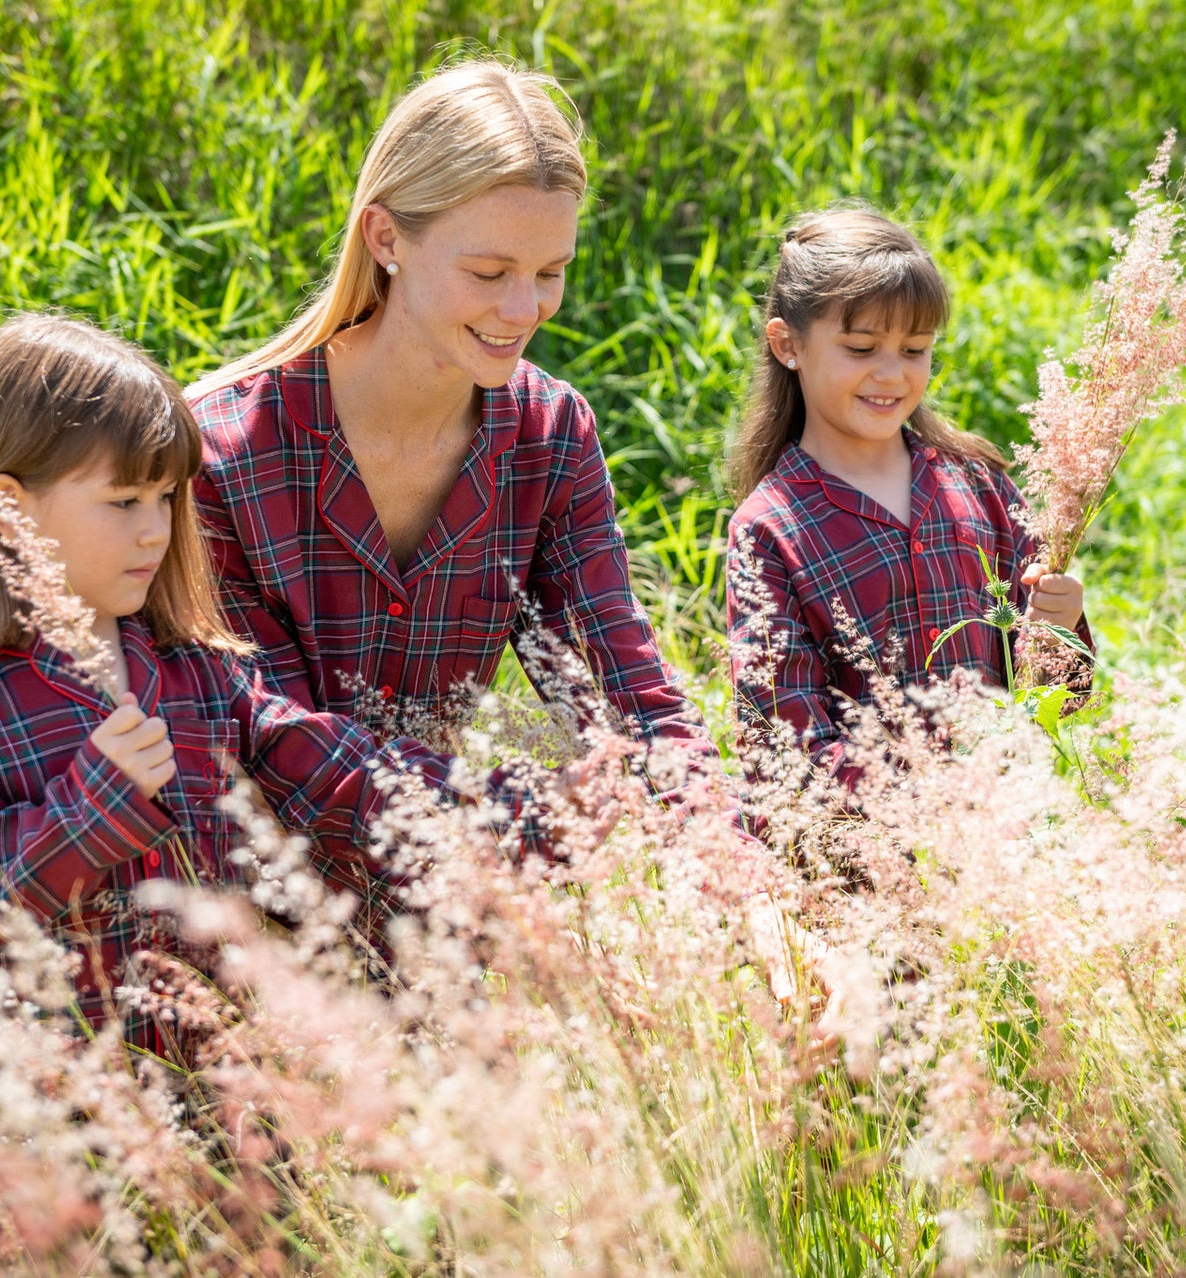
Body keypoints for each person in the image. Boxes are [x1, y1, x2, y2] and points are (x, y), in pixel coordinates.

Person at [0, 315, 522, 1067]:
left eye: (166, 500)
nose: (155, 531)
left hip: (210, 1102)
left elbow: (333, 772)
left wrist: (508, 813)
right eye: (123, 503)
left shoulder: (194, 669)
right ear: (9, 510)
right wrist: (94, 808)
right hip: (36, 1116)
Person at [186, 61, 717, 841]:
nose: (523, 308)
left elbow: (625, 688)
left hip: (448, 904)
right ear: (387, 235)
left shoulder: (550, 438)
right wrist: (513, 808)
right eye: (489, 271)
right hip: (233, 909)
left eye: (550, 272)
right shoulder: (225, 450)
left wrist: (733, 863)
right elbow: (271, 739)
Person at [726, 207, 1092, 792]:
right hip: (867, 862)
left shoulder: (978, 484)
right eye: (862, 348)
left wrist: (1062, 624)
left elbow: (1054, 699)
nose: (892, 374)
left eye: (916, 349)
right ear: (787, 344)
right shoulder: (772, 529)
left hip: (1005, 842)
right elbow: (783, 739)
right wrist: (921, 806)